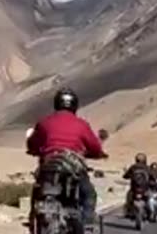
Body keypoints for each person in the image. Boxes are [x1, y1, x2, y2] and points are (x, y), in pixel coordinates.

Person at [26, 87, 107, 228]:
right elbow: (95, 147)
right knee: (89, 194)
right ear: (75, 105)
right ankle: (87, 225)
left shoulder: (44, 122)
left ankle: (33, 219)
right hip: (73, 168)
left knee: (37, 190)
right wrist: (97, 154)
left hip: (48, 167)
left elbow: (32, 144)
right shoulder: (82, 124)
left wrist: (35, 150)